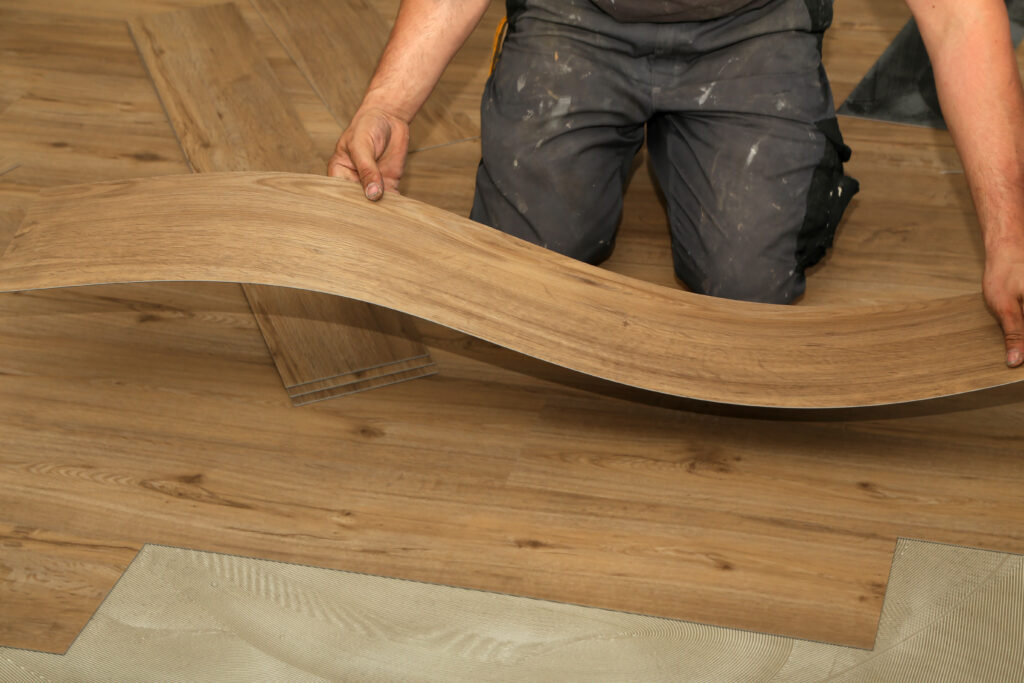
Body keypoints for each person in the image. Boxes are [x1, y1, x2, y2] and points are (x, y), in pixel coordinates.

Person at [328, 0, 1024, 368]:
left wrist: (1010, 237)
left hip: (753, 25)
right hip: (577, 17)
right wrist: (388, 104)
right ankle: (625, 123)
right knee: (523, 273)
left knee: (748, 286)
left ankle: (720, 134)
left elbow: (958, 15)